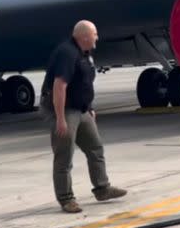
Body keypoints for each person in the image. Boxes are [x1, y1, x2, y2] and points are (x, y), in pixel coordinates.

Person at [40, 20, 127, 213]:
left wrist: (89, 107)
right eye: (94, 34)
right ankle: (66, 199)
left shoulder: (84, 53)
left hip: (81, 109)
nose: (97, 37)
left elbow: (84, 82)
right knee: (64, 155)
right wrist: (60, 118)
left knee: (95, 147)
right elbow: (59, 87)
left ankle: (102, 188)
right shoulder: (67, 53)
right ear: (84, 36)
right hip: (64, 110)